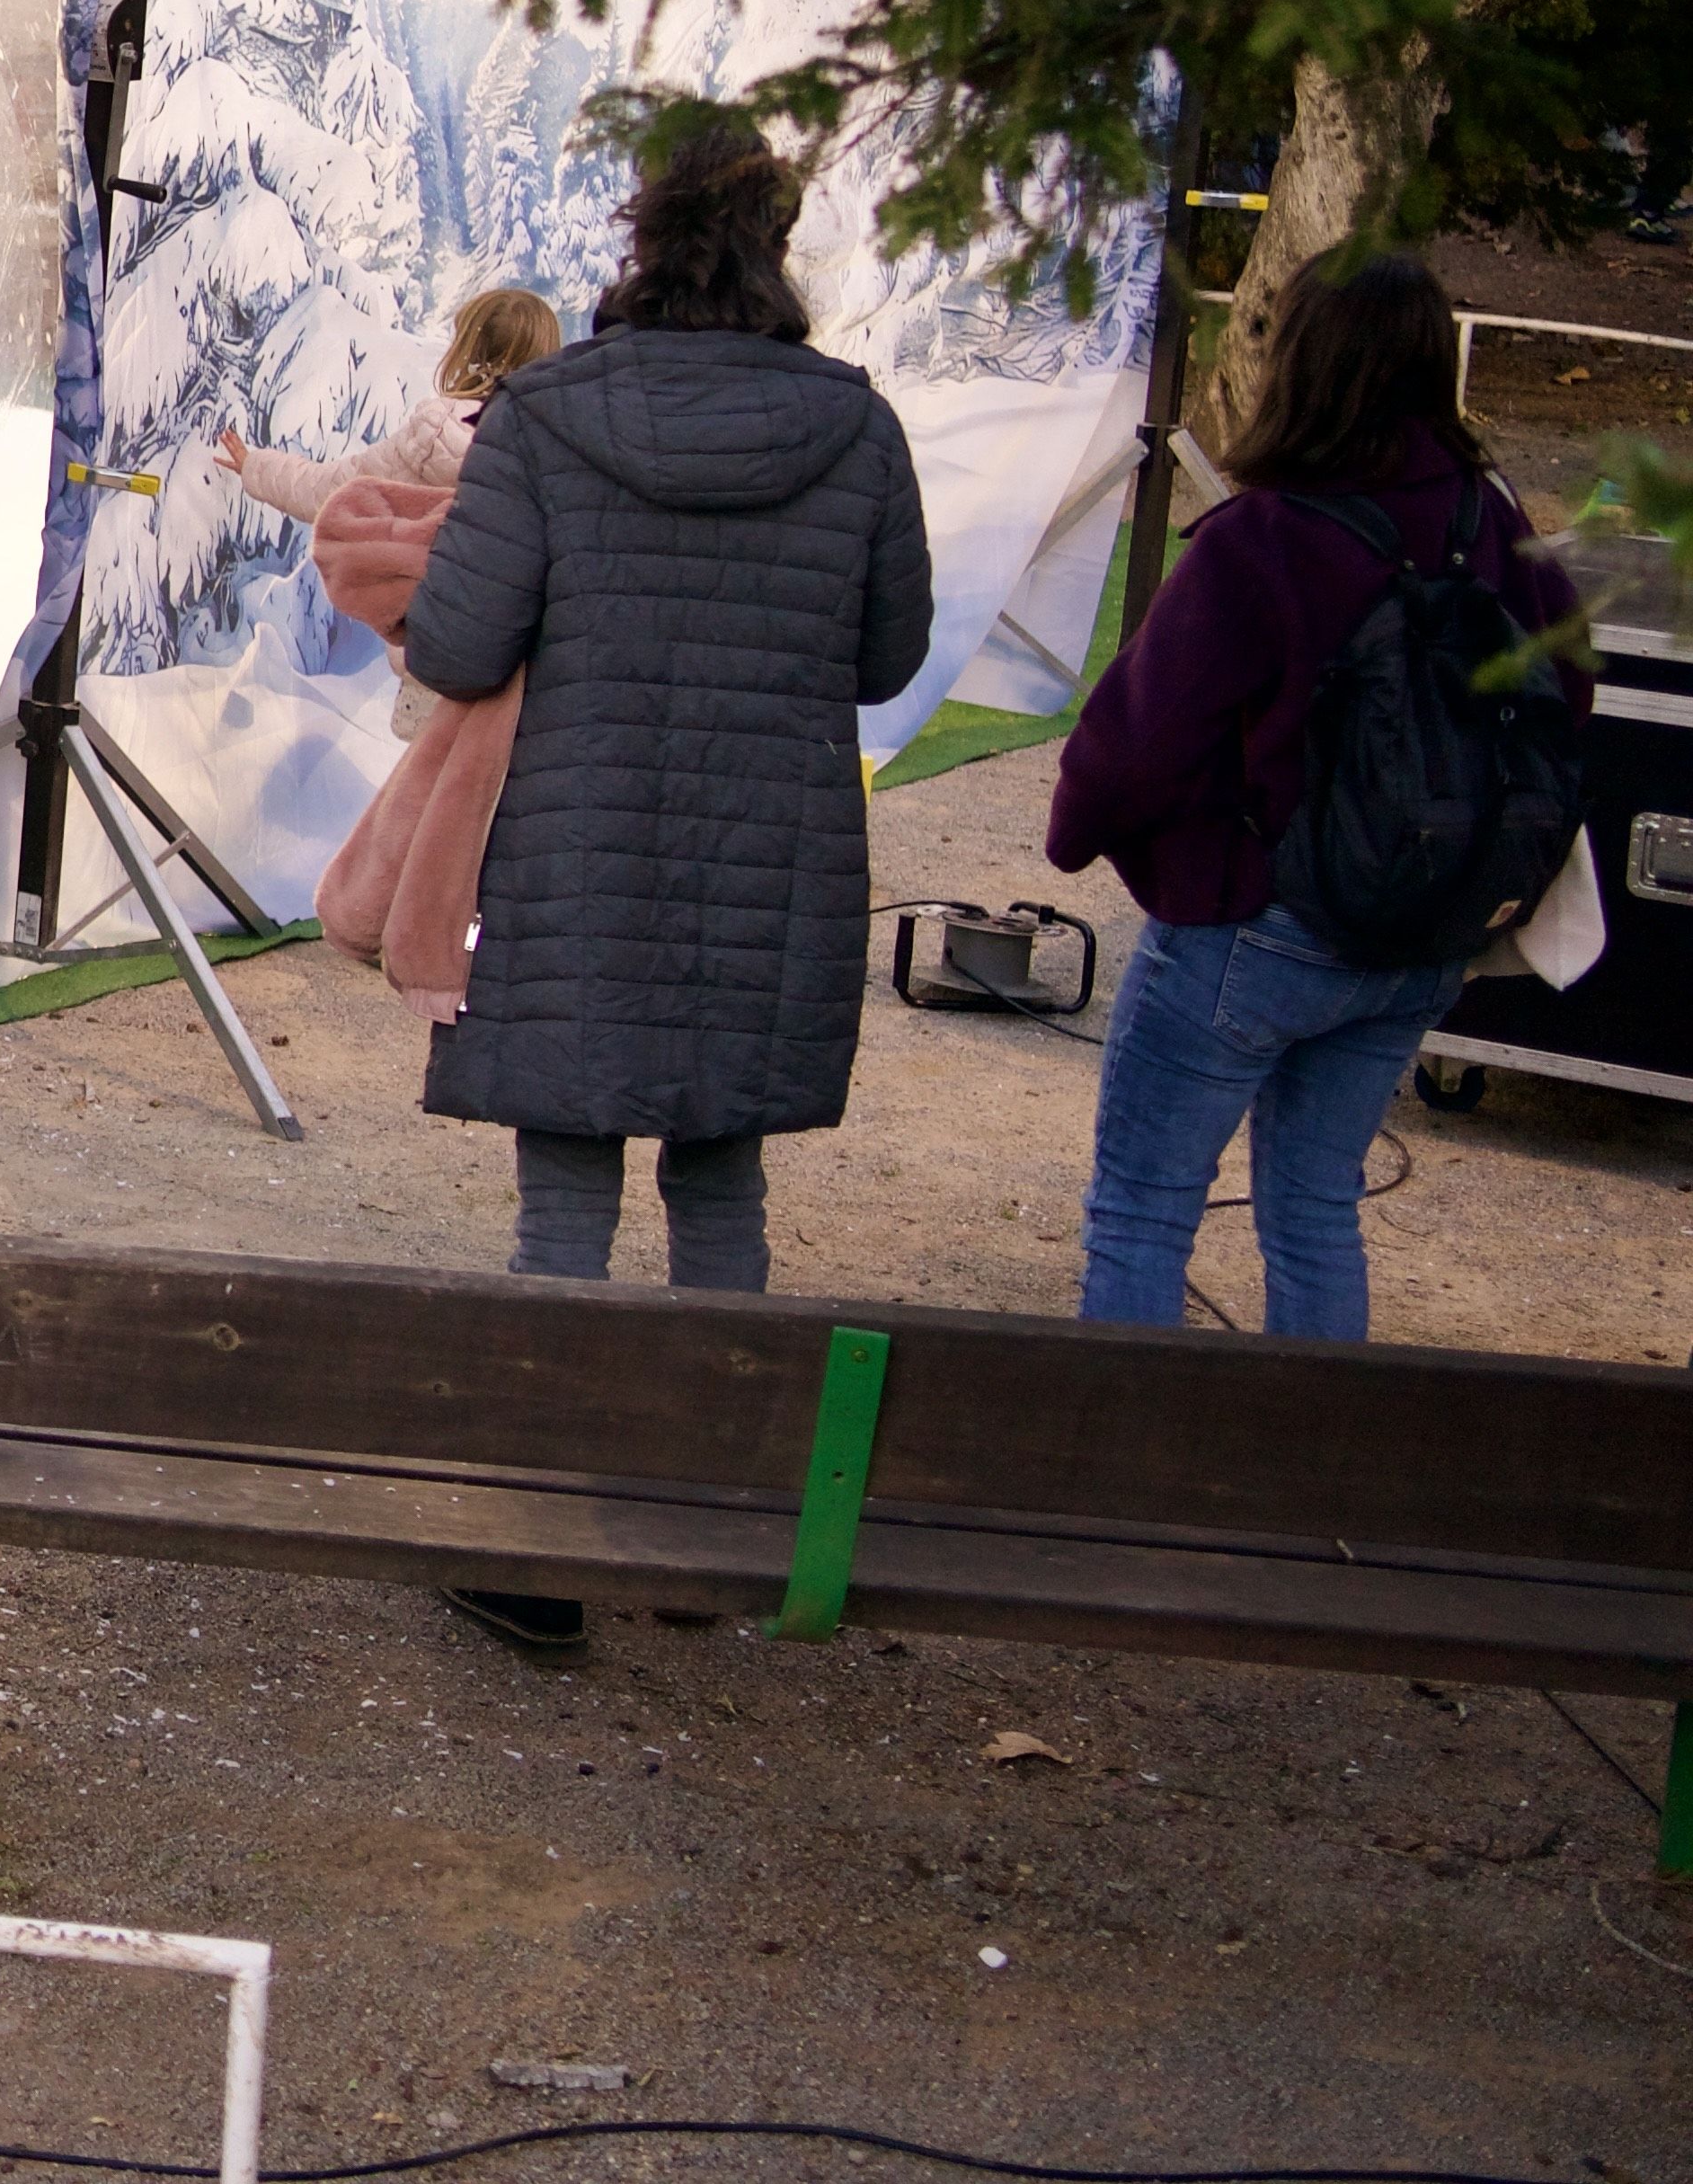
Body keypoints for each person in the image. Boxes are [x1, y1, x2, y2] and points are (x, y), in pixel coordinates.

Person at [393, 115, 930, 1648]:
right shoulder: (856, 427)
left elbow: (457, 645)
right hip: (771, 859)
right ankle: (704, 1535)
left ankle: (538, 1546)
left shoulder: (548, 417)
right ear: (778, 240)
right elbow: (886, 656)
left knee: (564, 1192)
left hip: (580, 847)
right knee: (720, 1177)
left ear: (640, 234)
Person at [1047, 253, 1584, 1342]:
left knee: (1142, 1213)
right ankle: (1312, 1452)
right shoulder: (1491, 520)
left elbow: (1133, 749)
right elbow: (1567, 691)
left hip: (1261, 925)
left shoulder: (1265, 538)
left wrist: (1078, 835)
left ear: (1301, 363)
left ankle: (1122, 1450)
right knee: (1314, 1213)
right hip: (1422, 930)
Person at [222, 284, 568, 737]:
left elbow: (332, 491)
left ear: (468, 351)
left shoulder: (438, 436)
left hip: (437, 665)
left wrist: (256, 467)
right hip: (526, 683)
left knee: (428, 775)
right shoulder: (558, 451)